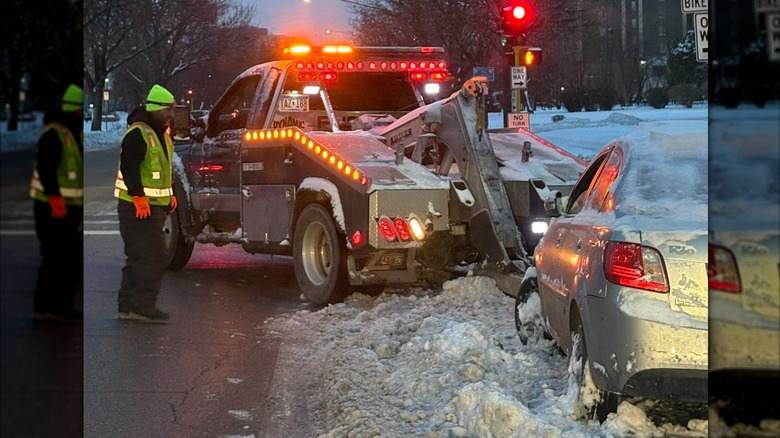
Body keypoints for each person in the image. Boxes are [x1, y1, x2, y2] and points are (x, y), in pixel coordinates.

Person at [114, 84, 177, 323]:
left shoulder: (161, 133)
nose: (172, 114)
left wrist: (169, 194)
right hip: (138, 208)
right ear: (155, 109)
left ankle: (128, 305)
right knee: (154, 256)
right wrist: (139, 198)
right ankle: (142, 305)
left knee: (139, 256)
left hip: (153, 207)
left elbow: (162, 168)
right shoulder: (139, 133)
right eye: (168, 110)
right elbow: (129, 168)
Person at [30, 84, 84, 323]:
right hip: (52, 208)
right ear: (73, 109)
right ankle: (48, 307)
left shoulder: (73, 132)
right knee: (56, 258)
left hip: (68, 207)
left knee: (66, 258)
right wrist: (54, 199)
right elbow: (46, 169)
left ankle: (57, 305)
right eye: (81, 109)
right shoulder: (55, 134)